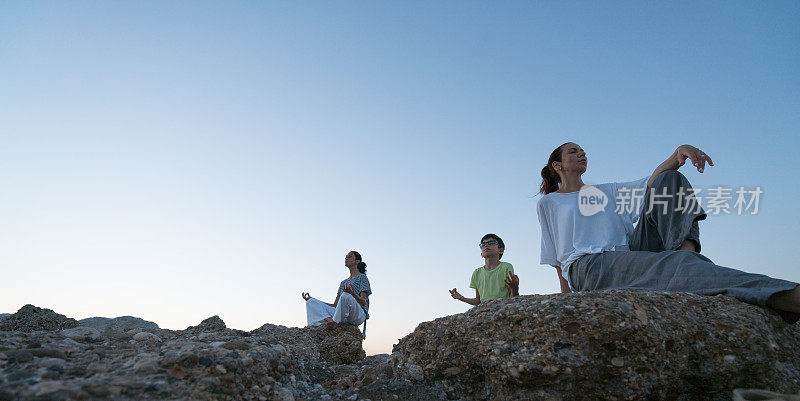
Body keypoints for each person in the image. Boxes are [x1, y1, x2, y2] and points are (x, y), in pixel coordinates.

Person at [536, 142, 800, 323]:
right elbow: (557, 259)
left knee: (668, 181)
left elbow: (653, 181)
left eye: (583, 150)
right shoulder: (549, 203)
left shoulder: (608, 191)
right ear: (558, 165)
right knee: (673, 263)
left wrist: (677, 154)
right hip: (590, 267)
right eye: (573, 152)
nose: (582, 154)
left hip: (631, 255)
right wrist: (566, 302)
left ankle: (685, 256)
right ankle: (787, 295)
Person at [302, 251, 372, 335]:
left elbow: (363, 302)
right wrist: (314, 300)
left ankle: (335, 322)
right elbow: (335, 306)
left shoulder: (362, 277)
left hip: (357, 315)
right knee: (311, 302)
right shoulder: (343, 282)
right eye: (346, 256)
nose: (346, 258)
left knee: (346, 295)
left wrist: (352, 294)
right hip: (343, 316)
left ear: (357, 261)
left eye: (349, 256)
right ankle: (331, 321)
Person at [450, 233, 520, 305]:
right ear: (481, 254)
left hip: (502, 307)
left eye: (491, 243)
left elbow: (513, 299)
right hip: (485, 309)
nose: (486, 245)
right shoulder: (477, 273)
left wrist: (515, 288)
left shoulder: (506, 267)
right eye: (483, 245)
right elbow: (478, 301)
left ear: (501, 250)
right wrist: (462, 298)